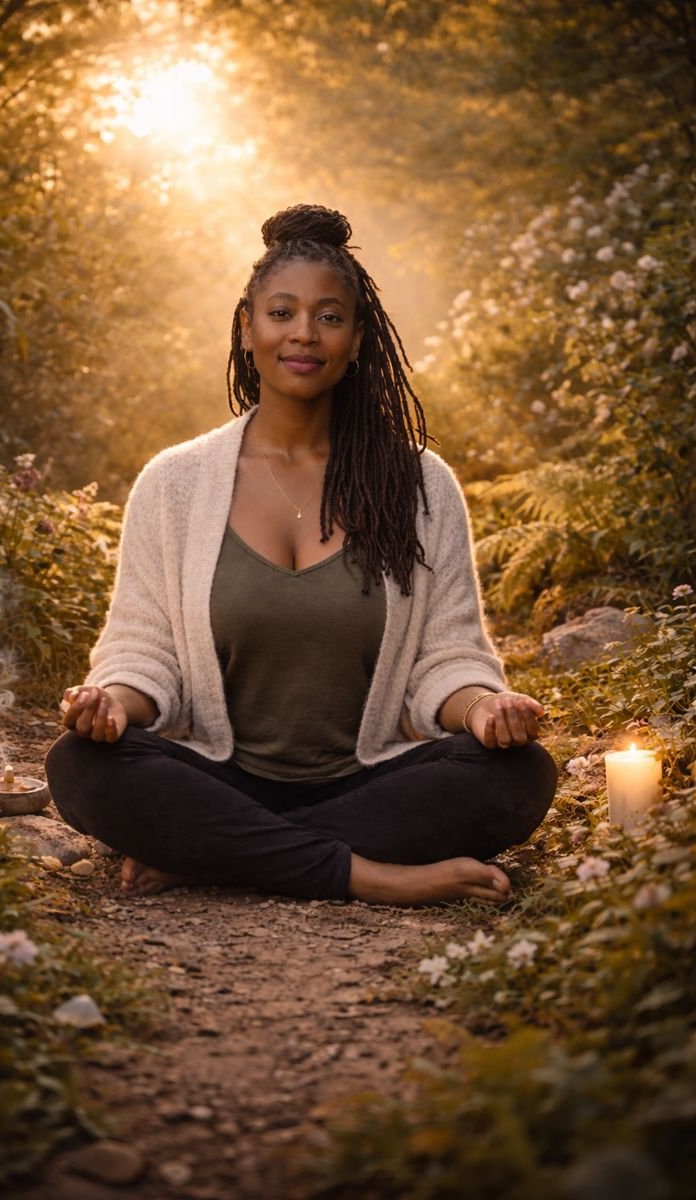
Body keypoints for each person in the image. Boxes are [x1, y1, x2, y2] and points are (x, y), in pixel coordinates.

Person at [45, 204, 557, 906]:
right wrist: (111, 701)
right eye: (282, 312)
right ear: (248, 326)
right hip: (220, 775)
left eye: (330, 316)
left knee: (519, 774)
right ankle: (373, 876)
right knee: (80, 764)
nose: (304, 335)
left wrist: (485, 710)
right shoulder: (174, 483)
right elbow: (145, 650)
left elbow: (448, 657)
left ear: (356, 340)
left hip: (369, 780)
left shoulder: (418, 485)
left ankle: (217, 854)